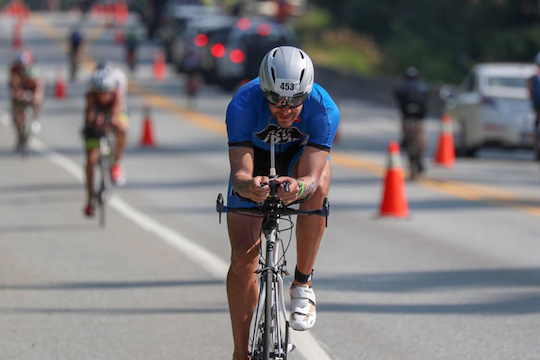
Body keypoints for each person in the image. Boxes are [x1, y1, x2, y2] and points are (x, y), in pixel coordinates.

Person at [225, 46, 339, 360]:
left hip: (298, 163)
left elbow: (314, 178)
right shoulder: (243, 104)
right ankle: (240, 352)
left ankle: (302, 283)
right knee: (242, 261)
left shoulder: (324, 108)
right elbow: (240, 174)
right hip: (255, 164)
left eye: (294, 100)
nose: (285, 108)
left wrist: (300, 186)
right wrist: (249, 186)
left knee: (322, 182)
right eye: (275, 99)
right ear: (264, 90)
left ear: (308, 92)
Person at [82, 67, 127, 217]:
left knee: (123, 128)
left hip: (110, 119)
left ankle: (116, 163)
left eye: (106, 92)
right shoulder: (90, 95)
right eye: (99, 92)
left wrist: (111, 121)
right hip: (94, 125)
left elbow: (116, 113)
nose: (103, 96)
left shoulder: (116, 94)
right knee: (90, 160)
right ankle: (89, 200)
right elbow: (90, 114)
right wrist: (95, 119)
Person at [394, 66, 429, 170]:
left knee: (405, 123)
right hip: (420, 111)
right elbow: (426, 98)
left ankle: (405, 138)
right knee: (419, 128)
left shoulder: (403, 86)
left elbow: (397, 97)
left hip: (407, 110)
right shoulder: (422, 86)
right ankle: (419, 147)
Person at [12, 63, 44, 149]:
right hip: (22, 100)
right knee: (18, 117)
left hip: (32, 100)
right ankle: (19, 136)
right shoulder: (20, 80)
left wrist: (35, 98)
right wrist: (20, 95)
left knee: (37, 103)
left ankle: (35, 119)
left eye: (31, 79)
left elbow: (39, 95)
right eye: (28, 79)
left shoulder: (38, 82)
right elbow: (16, 92)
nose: (30, 81)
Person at [527, 52, 540, 161]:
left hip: (537, 106)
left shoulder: (533, 77)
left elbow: (530, 92)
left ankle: (536, 146)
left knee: (536, 125)